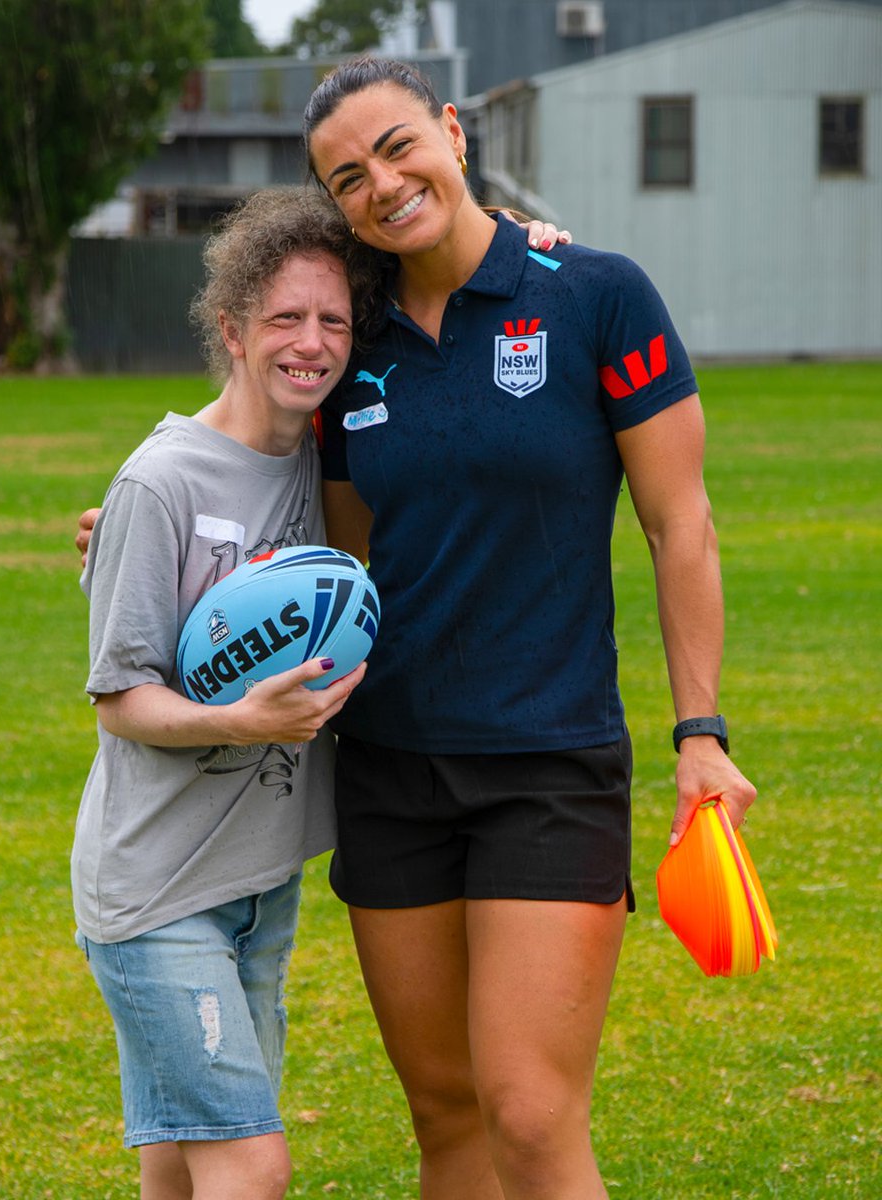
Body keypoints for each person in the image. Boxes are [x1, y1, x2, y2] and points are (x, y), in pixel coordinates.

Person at [296, 56, 757, 1200]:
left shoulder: (597, 295)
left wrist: (701, 731)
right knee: (447, 1115)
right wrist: (155, 510)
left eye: (399, 146)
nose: (383, 184)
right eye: (347, 178)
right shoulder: (352, 343)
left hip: (548, 764)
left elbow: (679, 524)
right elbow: (329, 546)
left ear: (452, 132)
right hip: (391, 767)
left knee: (531, 1113)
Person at [71, 188, 378, 1200]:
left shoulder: (320, 462)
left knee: (181, 1162)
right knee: (252, 1163)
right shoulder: (159, 484)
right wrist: (242, 722)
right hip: (157, 891)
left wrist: (526, 236)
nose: (313, 342)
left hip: (259, 885)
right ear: (233, 329)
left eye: (333, 320)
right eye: (287, 318)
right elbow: (119, 699)